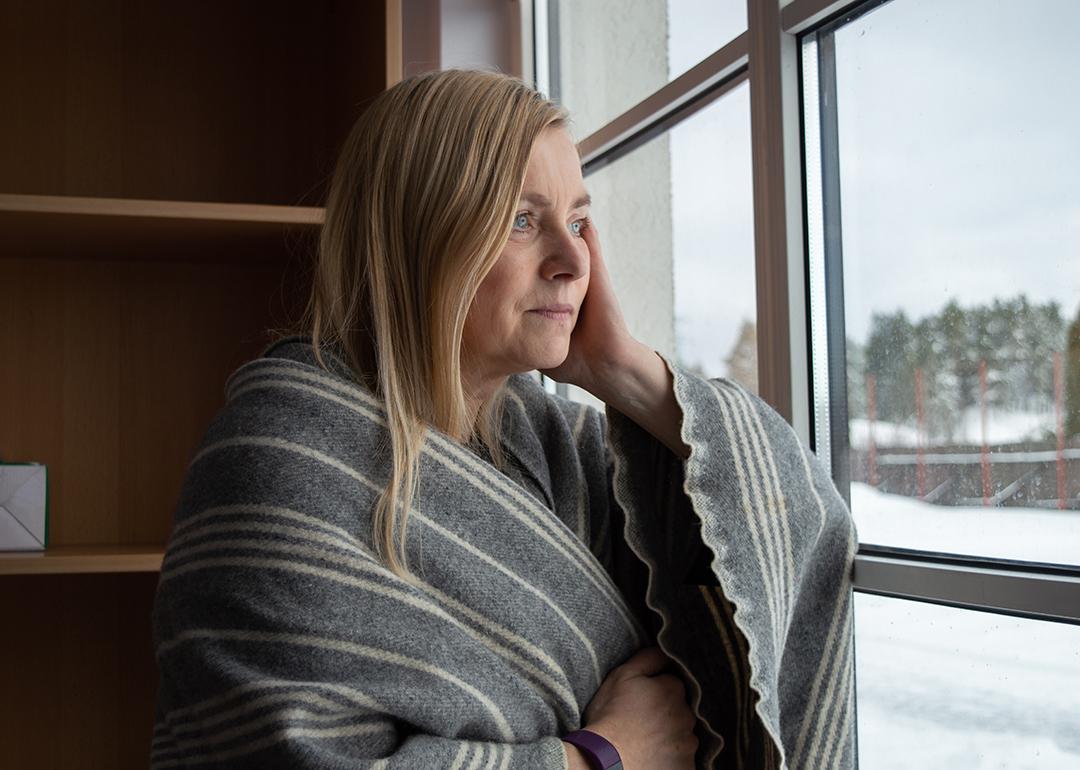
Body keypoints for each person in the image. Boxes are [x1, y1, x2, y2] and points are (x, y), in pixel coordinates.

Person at [150, 69, 857, 770]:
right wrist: (600, 758)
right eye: (523, 220)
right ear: (419, 237)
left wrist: (624, 372)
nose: (574, 259)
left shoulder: (552, 446)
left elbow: (796, 520)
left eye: (578, 222)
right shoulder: (280, 467)